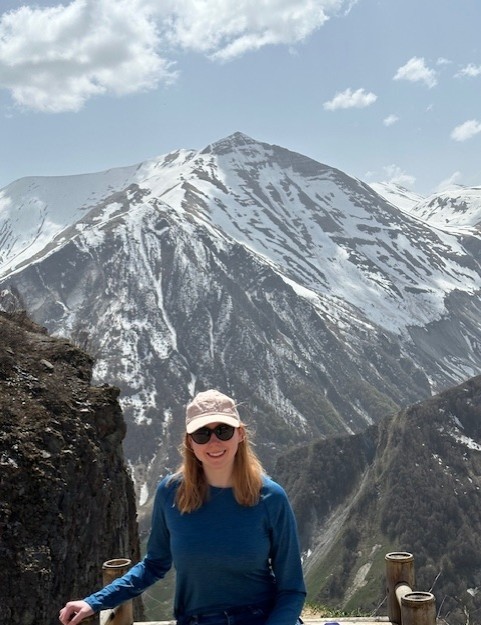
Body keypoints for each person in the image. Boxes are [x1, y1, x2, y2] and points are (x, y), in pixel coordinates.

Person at [59, 389, 306, 625]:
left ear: (240, 434)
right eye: (202, 434)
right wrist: (94, 602)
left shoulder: (271, 498)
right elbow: (154, 565)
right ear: (190, 442)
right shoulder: (170, 493)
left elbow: (292, 589)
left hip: (262, 617)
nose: (213, 442)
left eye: (223, 431)